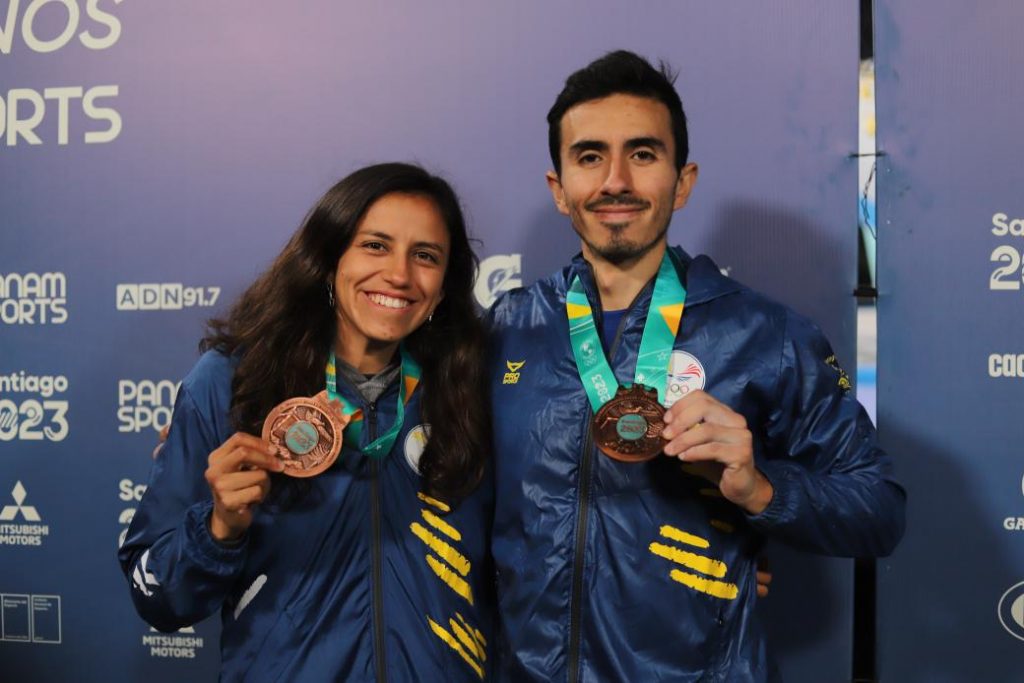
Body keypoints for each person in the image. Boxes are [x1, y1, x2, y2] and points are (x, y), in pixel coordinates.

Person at [486, 51, 906, 681]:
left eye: (644, 154)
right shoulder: (505, 328)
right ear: (559, 188)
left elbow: (878, 510)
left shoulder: (769, 335)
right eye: (590, 156)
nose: (616, 181)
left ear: (683, 181)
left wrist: (759, 488)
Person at [119, 163, 494, 682]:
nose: (400, 275)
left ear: (444, 287)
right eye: (375, 246)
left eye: (425, 256)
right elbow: (156, 597)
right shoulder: (233, 383)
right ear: (328, 257)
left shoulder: (474, 388)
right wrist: (217, 529)